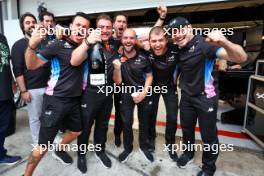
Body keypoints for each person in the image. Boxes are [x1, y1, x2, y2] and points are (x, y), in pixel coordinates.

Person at [167, 17, 247, 176]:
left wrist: (224, 41)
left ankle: (209, 167)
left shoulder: (205, 45)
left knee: (208, 135)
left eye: (180, 30)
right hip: (187, 98)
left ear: (189, 28)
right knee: (187, 130)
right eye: (173, 33)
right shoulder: (179, 48)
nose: (176, 35)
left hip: (205, 99)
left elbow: (241, 58)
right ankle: (188, 154)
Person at [22, 12, 90, 176]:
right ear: (71, 27)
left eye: (85, 27)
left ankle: (59, 149)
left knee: (76, 131)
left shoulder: (87, 46)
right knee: (42, 145)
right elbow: (32, 65)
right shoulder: (57, 45)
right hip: (55, 100)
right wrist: (31, 46)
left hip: (74, 100)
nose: (81, 29)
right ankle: (26, 174)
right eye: (78, 25)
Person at [112, 6, 168, 147]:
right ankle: (120, 138)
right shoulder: (111, 41)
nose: (121, 24)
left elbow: (154, 33)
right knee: (123, 117)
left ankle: (145, 144)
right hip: (121, 89)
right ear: (114, 24)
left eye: (124, 21)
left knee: (144, 119)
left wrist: (161, 18)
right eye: (118, 21)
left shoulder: (137, 45)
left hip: (141, 89)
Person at [71, 14, 120, 173]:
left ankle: (100, 150)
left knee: (103, 125)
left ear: (112, 29)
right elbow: (73, 55)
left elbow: (134, 39)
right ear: (95, 29)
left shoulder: (115, 44)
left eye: (108, 27)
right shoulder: (86, 42)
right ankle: (82, 154)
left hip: (107, 93)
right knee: (85, 127)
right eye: (101, 27)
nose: (105, 30)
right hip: (89, 93)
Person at [115, 28, 154, 163]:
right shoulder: (118, 57)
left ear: (135, 40)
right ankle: (128, 148)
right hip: (126, 93)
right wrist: (117, 67)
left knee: (144, 123)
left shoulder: (143, 57)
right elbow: (118, 82)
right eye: (125, 38)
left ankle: (144, 147)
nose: (128, 41)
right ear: (121, 40)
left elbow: (149, 76)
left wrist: (144, 93)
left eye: (131, 38)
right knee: (126, 122)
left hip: (143, 93)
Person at [11, 12, 50, 145]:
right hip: (32, 89)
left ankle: (48, 139)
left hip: (49, 87)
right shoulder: (18, 45)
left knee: (48, 116)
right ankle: (37, 143)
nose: (31, 25)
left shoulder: (44, 42)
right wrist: (23, 91)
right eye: (27, 23)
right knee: (35, 118)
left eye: (33, 22)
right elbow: (17, 70)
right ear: (23, 27)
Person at [147, 26, 179, 161]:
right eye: (153, 41)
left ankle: (170, 144)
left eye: (161, 40)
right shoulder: (146, 50)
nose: (157, 44)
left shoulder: (176, 50)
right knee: (150, 115)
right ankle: (151, 140)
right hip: (153, 87)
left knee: (172, 117)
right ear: (149, 41)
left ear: (167, 40)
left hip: (170, 88)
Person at [0, 33, 22, 165]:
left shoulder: (2, 38)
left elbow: (6, 62)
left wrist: (13, 81)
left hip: (5, 92)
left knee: (2, 127)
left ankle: (1, 155)